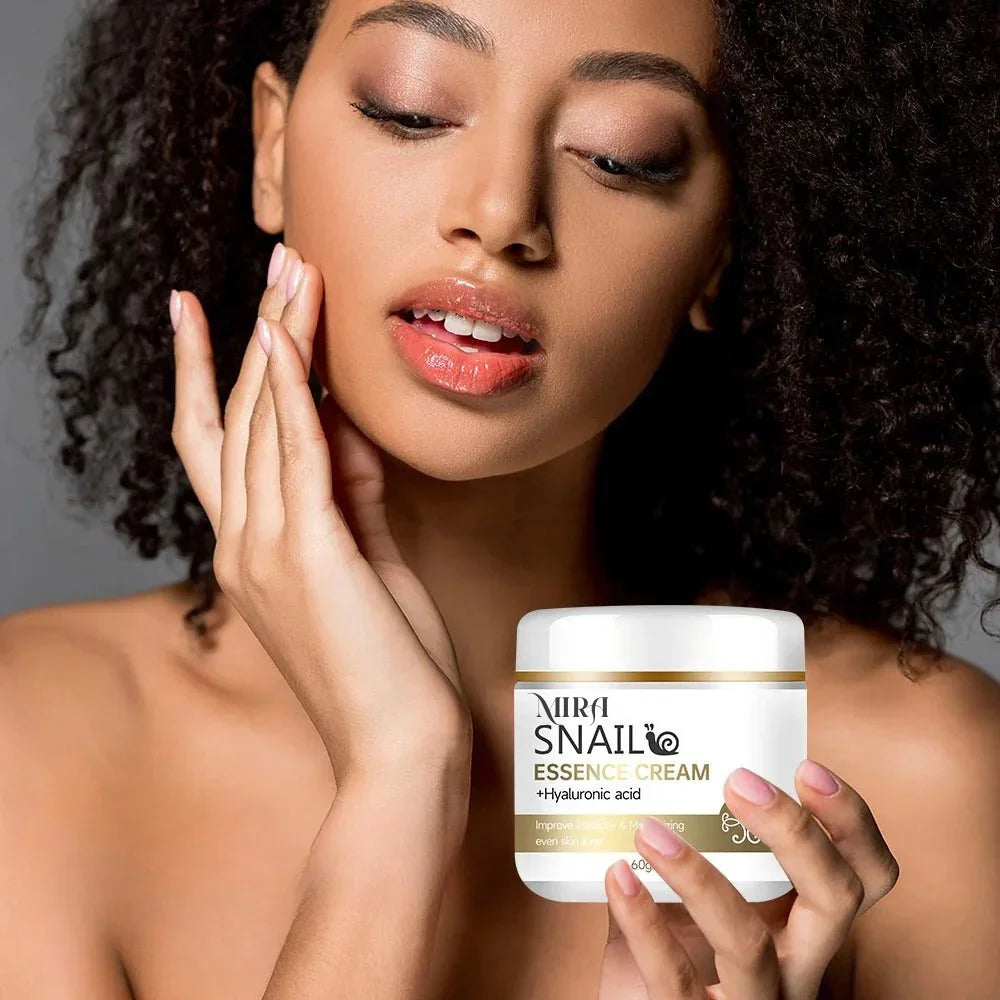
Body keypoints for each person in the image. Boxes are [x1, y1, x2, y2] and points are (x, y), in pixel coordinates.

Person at [2, 0, 998, 996]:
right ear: (272, 146)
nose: (501, 212)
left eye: (620, 156)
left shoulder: (914, 781)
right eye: (412, 109)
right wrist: (399, 778)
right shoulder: (37, 743)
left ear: (720, 247)